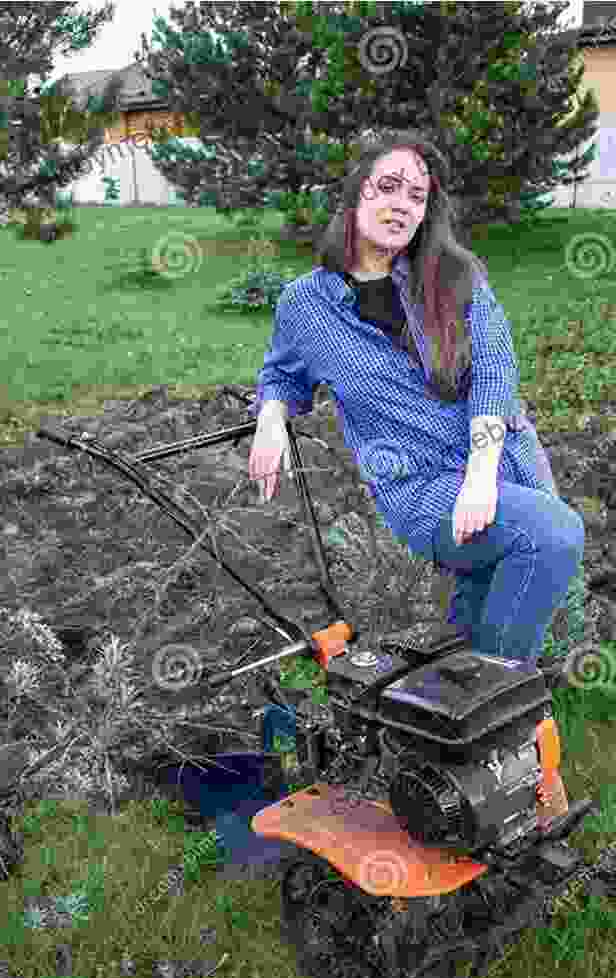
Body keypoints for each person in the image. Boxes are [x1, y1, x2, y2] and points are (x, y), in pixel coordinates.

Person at [248, 130, 584, 667]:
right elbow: (284, 374)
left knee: (491, 594)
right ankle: (496, 704)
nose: (401, 205)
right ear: (357, 193)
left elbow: (496, 371)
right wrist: (270, 416)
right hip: (419, 486)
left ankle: (457, 721)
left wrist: (480, 474)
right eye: (388, 186)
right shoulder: (306, 304)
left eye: (417, 195)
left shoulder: (455, 276)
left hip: (501, 462)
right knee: (552, 535)